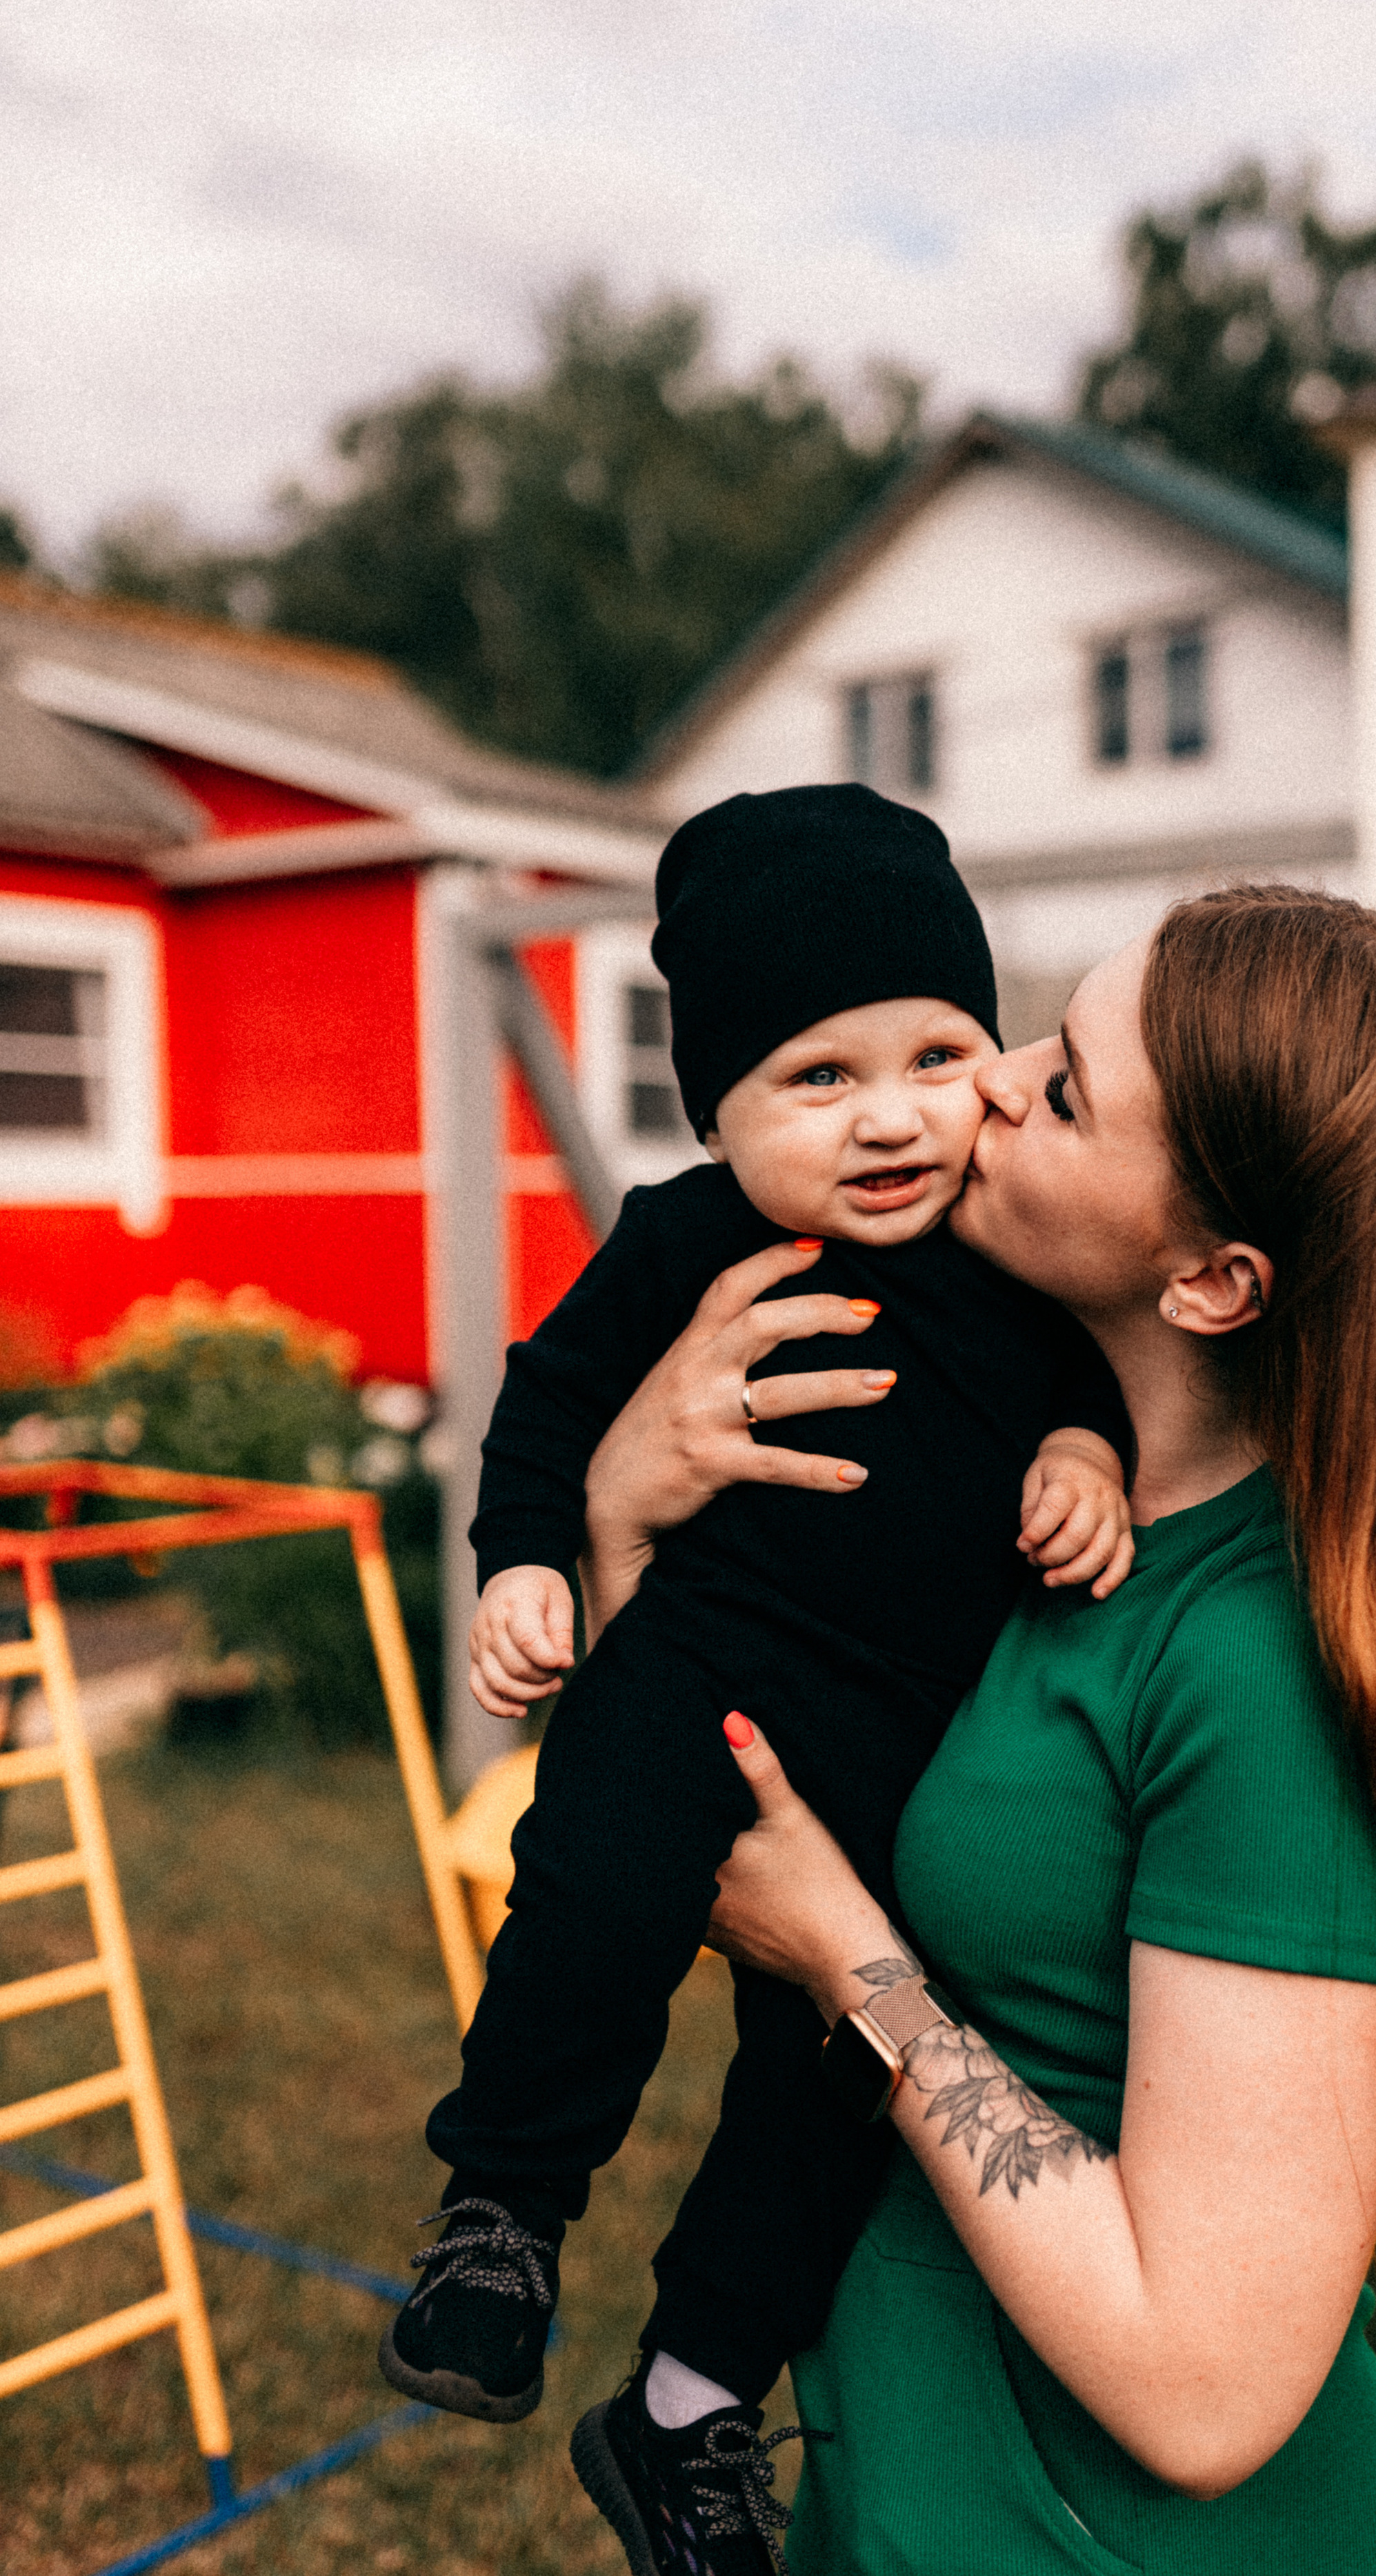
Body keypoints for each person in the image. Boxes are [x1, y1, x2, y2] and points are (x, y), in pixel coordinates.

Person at [570, 888, 1376, 2575]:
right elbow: (721, 1800)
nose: (986, 1077)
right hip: (904, 2499)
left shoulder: (1264, 1672)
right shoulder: (1031, 1513)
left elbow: (1204, 2393)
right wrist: (621, 1518)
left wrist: (851, 1964)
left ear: (1210, 1279)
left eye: (1060, 1092)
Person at [381, 789, 1135, 2486]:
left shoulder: (1012, 1246)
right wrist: (525, 1565)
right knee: (586, 1912)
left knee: (837, 2085)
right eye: (818, 1078)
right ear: (715, 1116)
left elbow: (1098, 1385)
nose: (891, 1117)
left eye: (936, 1056)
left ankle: (692, 2397)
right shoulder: (685, 1238)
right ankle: (500, 2216)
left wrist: (1084, 1459)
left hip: (905, 1746)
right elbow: (547, 1407)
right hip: (693, 1676)